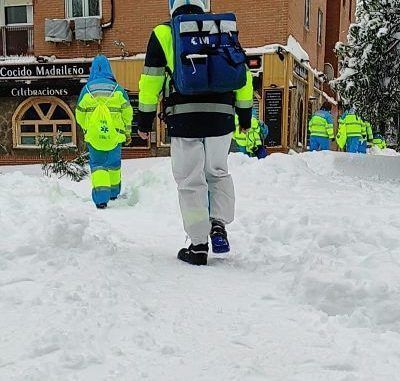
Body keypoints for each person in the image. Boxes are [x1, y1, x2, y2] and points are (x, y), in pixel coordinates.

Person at [137, 0, 253, 265]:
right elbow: (243, 77)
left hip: (184, 117)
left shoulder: (163, 32)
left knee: (190, 181)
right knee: (217, 172)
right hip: (222, 116)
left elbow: (150, 82)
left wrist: (143, 122)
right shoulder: (220, 29)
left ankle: (199, 246)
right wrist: (245, 116)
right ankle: (219, 224)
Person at [76, 55, 133, 209]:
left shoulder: (86, 90)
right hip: (115, 136)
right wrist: (127, 132)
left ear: (93, 70)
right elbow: (127, 114)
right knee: (113, 164)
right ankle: (114, 192)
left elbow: (79, 114)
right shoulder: (118, 90)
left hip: (94, 137)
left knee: (98, 165)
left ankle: (101, 198)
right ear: (109, 69)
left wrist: (88, 128)